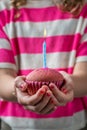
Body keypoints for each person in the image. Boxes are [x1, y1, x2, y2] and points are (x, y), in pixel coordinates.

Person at [0, 0, 87, 130]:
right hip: (14, 124)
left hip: (72, 124)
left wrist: (69, 84)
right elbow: (2, 77)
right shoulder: (4, 9)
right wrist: (17, 90)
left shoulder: (82, 9)